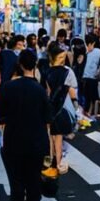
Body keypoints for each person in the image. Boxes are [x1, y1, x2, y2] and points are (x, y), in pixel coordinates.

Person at [0, 49, 51, 201]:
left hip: (13, 142)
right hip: (36, 143)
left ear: (19, 64)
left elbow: (0, 115)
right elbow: (47, 120)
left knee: (17, 188)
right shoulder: (40, 90)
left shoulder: (7, 87)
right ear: (34, 65)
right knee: (34, 187)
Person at [44, 42, 78, 170]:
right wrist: (76, 105)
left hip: (50, 107)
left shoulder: (47, 72)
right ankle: (58, 162)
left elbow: (47, 92)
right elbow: (72, 90)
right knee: (58, 137)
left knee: (50, 136)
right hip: (62, 107)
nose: (63, 60)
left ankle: (51, 160)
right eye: (61, 58)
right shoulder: (67, 72)